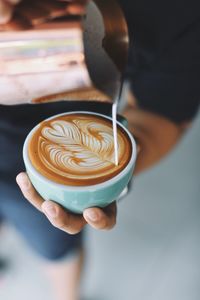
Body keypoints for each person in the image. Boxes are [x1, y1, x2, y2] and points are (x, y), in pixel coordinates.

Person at [0, 1, 199, 300]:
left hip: (56, 183)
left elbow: (160, 117)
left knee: (57, 249)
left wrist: (105, 176)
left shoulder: (181, 11)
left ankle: (67, 296)